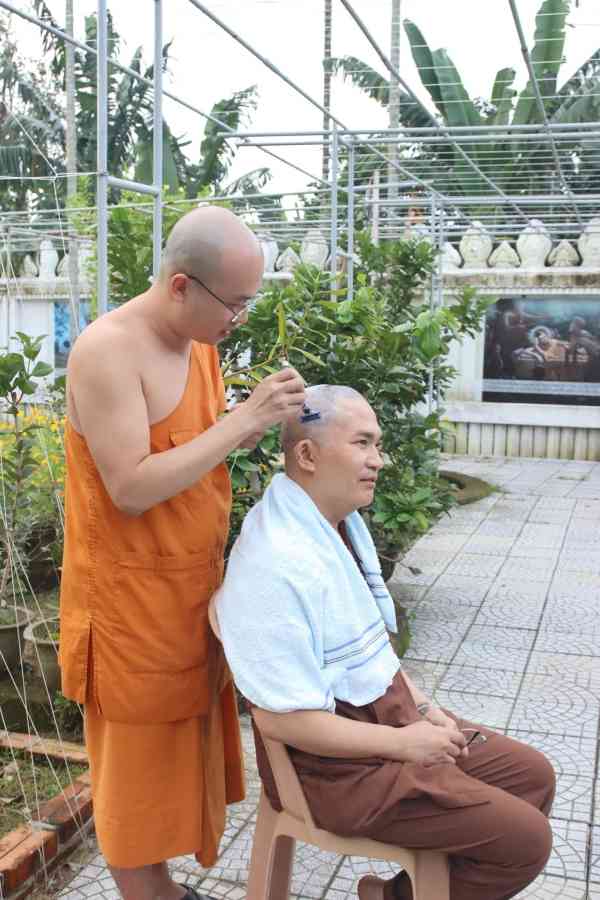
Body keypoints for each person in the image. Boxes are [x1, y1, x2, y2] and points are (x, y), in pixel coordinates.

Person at [214, 384, 555, 900]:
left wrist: (426, 709)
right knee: (525, 841)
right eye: (363, 444)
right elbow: (281, 721)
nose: (378, 460)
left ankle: (394, 894)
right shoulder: (274, 563)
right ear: (307, 455)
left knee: (533, 777)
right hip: (334, 773)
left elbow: (371, 654)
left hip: (388, 719)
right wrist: (405, 744)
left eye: (377, 445)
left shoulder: (338, 527)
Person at [58, 206, 305, 900]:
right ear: (179, 286)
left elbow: (196, 454)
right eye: (234, 303)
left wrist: (255, 427)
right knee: (134, 792)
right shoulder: (107, 351)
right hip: (129, 612)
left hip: (190, 597)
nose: (239, 319)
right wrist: (244, 420)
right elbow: (132, 487)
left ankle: (165, 887)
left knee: (175, 778)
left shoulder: (200, 343)